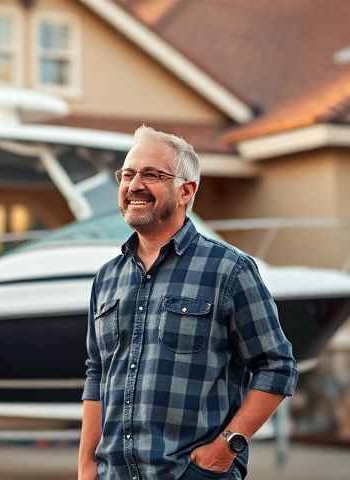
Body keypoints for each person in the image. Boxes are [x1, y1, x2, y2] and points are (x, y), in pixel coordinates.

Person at [77, 126, 298, 480]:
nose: (134, 185)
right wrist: (87, 466)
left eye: (152, 174)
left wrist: (226, 448)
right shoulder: (107, 277)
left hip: (192, 474)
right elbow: (97, 373)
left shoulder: (229, 269)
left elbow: (277, 365)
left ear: (186, 191)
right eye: (128, 174)